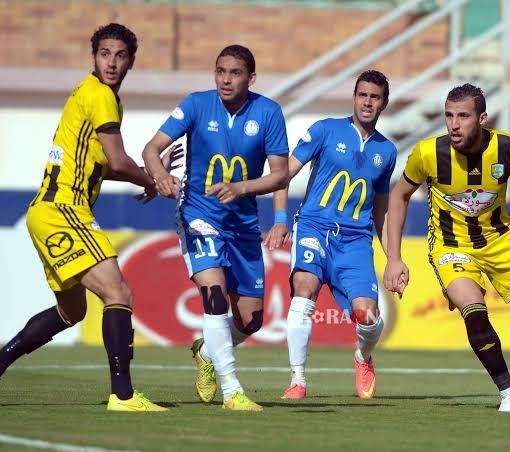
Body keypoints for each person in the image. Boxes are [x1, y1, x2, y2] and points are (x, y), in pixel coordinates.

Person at [0, 23, 175, 412]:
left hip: (45, 211)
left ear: (131, 60)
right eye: (105, 54)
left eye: (120, 55)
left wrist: (146, 178)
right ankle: (124, 396)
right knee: (119, 294)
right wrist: (156, 178)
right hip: (64, 209)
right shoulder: (101, 96)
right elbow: (118, 160)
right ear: (93, 55)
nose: (112, 62)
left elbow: (103, 166)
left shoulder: (92, 93)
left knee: (72, 311)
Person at [384, 83, 510, 413]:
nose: (453, 124)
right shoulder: (428, 153)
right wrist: (394, 257)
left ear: (483, 119)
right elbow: (398, 195)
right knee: (474, 310)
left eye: (463, 116)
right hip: (452, 245)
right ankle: (507, 392)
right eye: (449, 116)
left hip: (503, 240)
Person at [142, 44, 289, 411]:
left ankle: (206, 352)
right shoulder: (195, 104)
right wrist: (159, 175)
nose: (225, 79)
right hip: (197, 216)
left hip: (243, 225)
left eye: (235, 72)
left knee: (251, 320)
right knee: (215, 300)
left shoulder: (268, 113)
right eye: (220, 71)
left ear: (251, 78)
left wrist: (243, 190)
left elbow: (280, 175)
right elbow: (151, 148)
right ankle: (232, 390)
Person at [268, 70, 396, 400]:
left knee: (369, 319)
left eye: (375, 97)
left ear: (384, 102)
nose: (368, 102)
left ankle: (362, 357)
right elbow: (283, 175)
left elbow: (380, 209)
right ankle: (298, 380)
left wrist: (393, 258)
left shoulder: (387, 151)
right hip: (314, 229)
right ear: (354, 98)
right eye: (363, 95)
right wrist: (280, 220)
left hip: (355, 242)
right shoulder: (325, 130)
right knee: (304, 291)